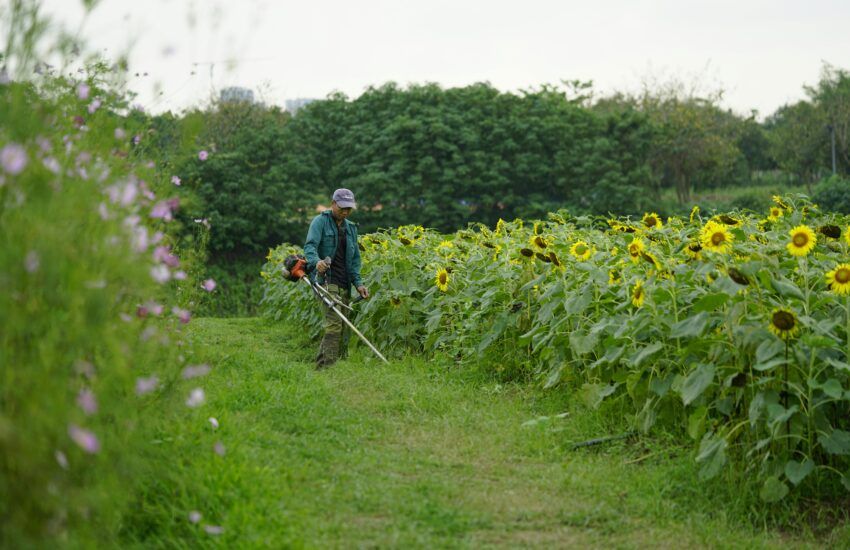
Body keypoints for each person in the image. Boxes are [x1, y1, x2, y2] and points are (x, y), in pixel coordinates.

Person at [303, 188, 369, 369]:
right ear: (333, 203)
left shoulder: (351, 228)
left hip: (344, 283)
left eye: (349, 208)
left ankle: (322, 367)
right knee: (333, 326)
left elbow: (355, 259)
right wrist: (316, 262)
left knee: (342, 328)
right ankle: (327, 369)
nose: (345, 211)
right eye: (342, 208)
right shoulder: (320, 222)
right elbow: (309, 247)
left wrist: (359, 283)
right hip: (325, 280)